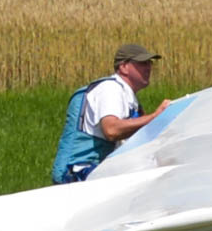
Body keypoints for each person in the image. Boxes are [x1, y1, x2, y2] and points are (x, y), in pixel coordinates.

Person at [51, 43, 173, 184]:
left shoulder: (129, 97)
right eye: (142, 63)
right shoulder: (111, 89)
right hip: (78, 170)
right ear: (123, 67)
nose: (148, 67)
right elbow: (111, 130)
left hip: (98, 168)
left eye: (149, 63)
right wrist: (154, 117)